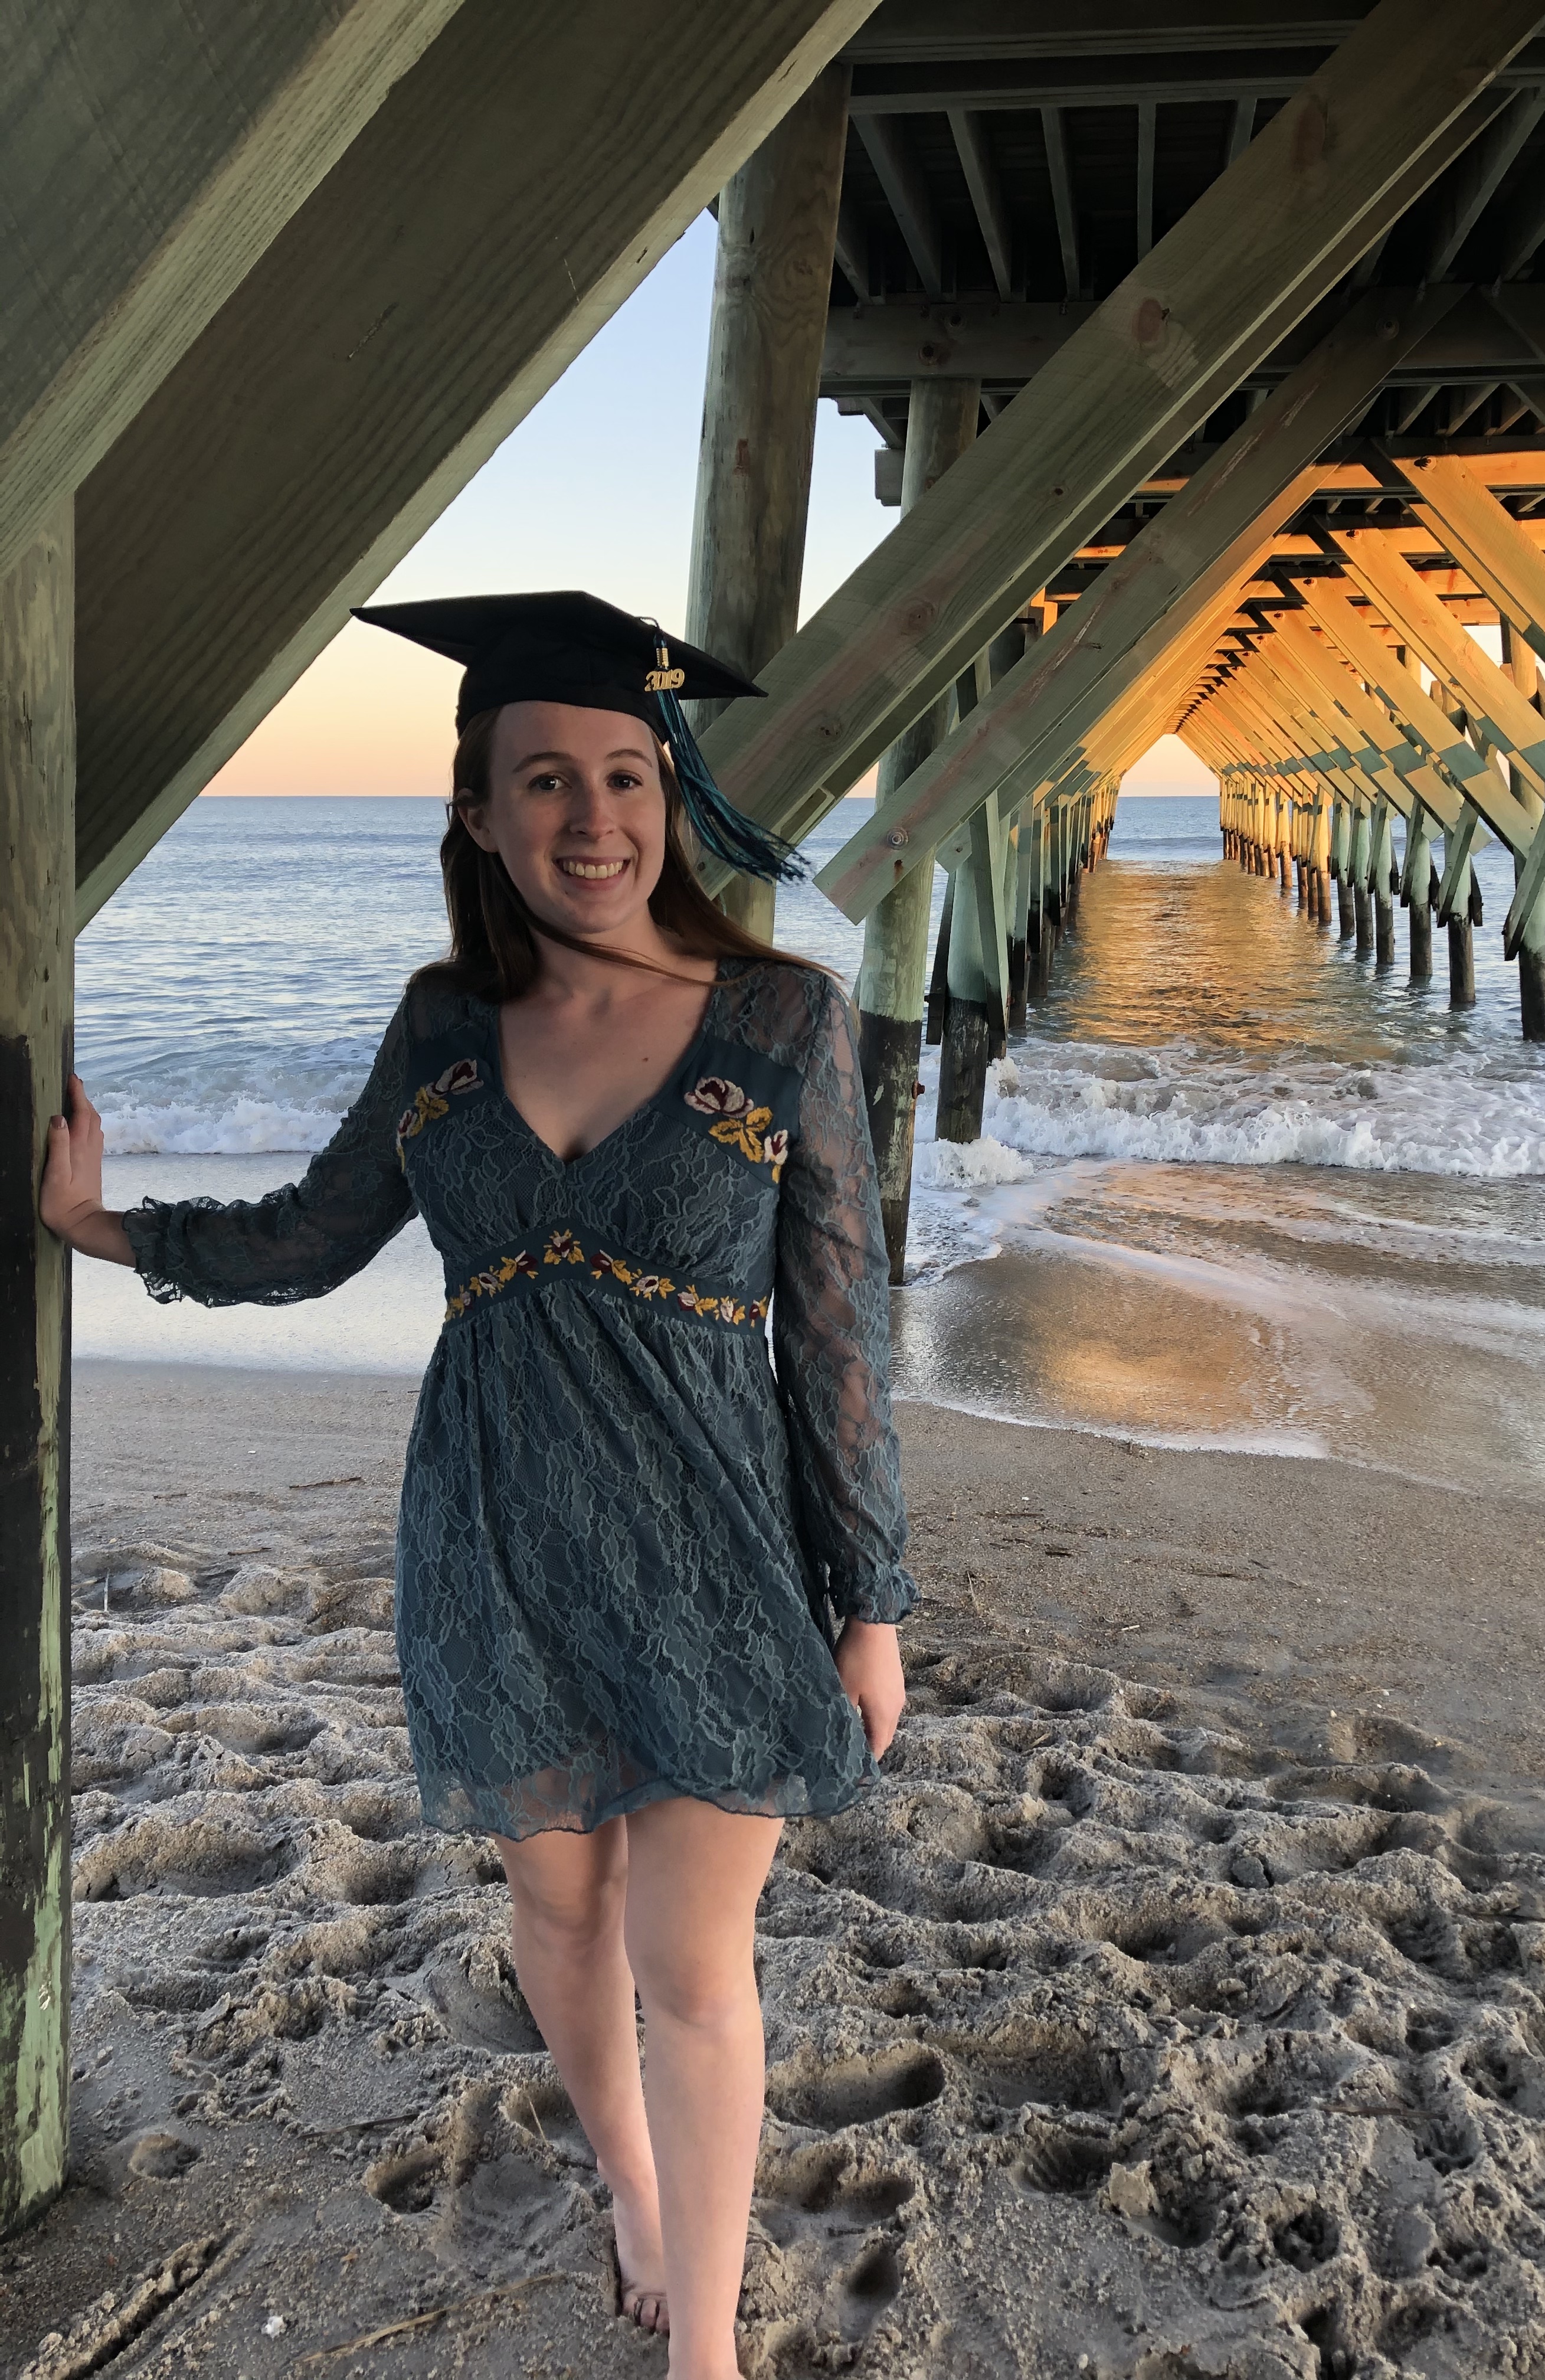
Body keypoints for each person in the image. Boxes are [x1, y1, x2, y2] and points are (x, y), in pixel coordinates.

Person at [40, 591, 915, 2380]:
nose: (590, 820)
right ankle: (628, 2186)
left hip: (716, 1552)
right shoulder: (445, 1023)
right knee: (563, 1911)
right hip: (494, 1542)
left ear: (667, 797)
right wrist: (101, 1227)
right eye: (543, 782)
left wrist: (874, 1599)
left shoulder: (783, 1022)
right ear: (477, 813)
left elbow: (841, 1339)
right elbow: (311, 1232)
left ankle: (707, 2356)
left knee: (694, 1957)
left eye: (622, 776)